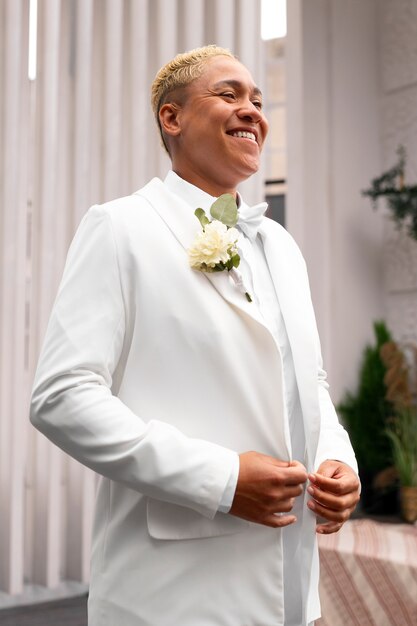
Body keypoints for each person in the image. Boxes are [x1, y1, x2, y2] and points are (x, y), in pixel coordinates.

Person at [30, 45, 360, 626]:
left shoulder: (279, 245)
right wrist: (223, 479)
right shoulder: (120, 227)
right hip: (171, 595)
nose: (252, 109)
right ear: (172, 118)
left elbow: (307, 378)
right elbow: (62, 397)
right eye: (229, 94)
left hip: (291, 589)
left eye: (258, 99)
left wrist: (337, 458)